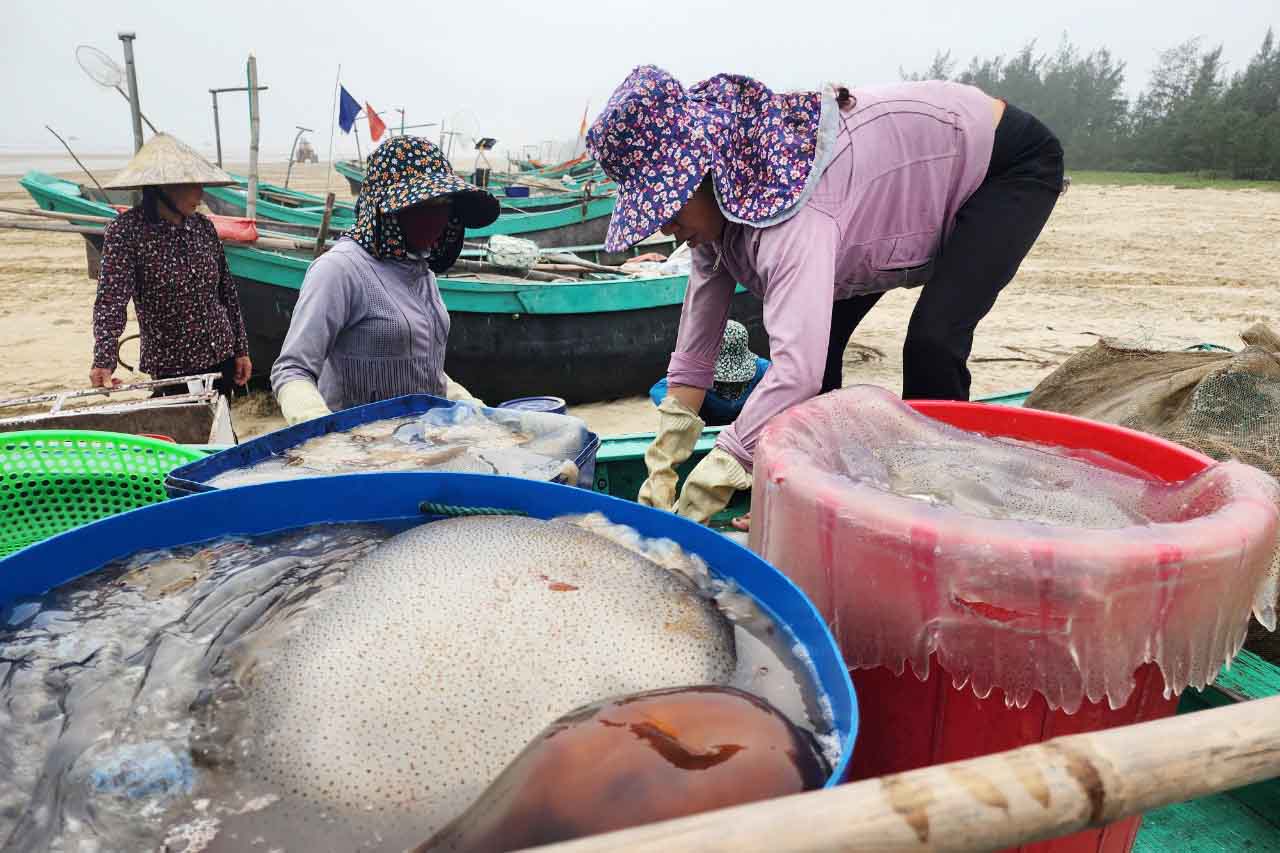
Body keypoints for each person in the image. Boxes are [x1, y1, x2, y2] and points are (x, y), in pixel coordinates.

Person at [586, 66, 1064, 526]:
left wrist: (728, 461)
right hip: (888, 205)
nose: (665, 228)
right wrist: (666, 455)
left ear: (705, 172)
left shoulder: (791, 212)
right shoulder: (720, 215)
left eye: (669, 207)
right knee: (823, 345)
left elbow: (797, 372)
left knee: (932, 342)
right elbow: (696, 353)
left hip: (999, 162)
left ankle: (938, 502)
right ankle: (815, 491)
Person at [271, 136, 499, 425]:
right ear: (386, 209)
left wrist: (467, 404)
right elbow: (293, 370)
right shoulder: (340, 270)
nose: (437, 218)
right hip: (362, 446)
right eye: (424, 205)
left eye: (444, 204)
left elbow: (421, 365)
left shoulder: (420, 269)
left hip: (424, 440)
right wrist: (324, 431)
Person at [91, 133, 251, 394]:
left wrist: (241, 349)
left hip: (221, 355)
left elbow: (227, 292)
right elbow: (111, 300)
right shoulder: (126, 232)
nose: (201, 193)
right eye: (192, 184)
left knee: (221, 419)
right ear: (163, 187)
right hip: (171, 366)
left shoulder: (203, 227)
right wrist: (103, 360)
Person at [648, 320, 769, 427]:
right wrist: (682, 411)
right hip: (705, 430)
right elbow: (659, 389)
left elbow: (780, 381)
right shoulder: (694, 372)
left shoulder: (762, 369)